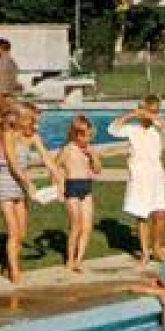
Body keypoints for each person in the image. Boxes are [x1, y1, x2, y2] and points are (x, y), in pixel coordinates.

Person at [0, 101, 60, 284]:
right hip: (6, 185)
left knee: (22, 233)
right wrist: (29, 183)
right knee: (14, 232)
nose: (34, 123)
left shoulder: (32, 136)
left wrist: (60, 180)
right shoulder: (8, 135)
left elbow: (47, 158)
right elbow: (13, 164)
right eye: (31, 119)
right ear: (20, 119)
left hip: (20, 187)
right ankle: (15, 273)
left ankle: (9, 263)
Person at [110, 95, 165, 266]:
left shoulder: (158, 128)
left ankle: (157, 248)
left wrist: (156, 117)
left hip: (155, 175)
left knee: (160, 213)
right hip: (139, 176)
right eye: (149, 110)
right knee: (142, 215)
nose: (151, 114)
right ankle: (145, 251)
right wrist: (133, 114)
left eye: (155, 111)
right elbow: (112, 129)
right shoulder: (132, 129)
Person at [57, 114, 102, 272]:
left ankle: (79, 260)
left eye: (89, 136)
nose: (87, 140)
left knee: (87, 227)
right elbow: (56, 168)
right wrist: (59, 187)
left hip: (86, 188)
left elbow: (97, 170)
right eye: (84, 136)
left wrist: (93, 157)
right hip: (72, 187)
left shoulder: (90, 150)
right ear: (75, 135)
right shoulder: (68, 149)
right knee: (75, 226)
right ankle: (70, 259)